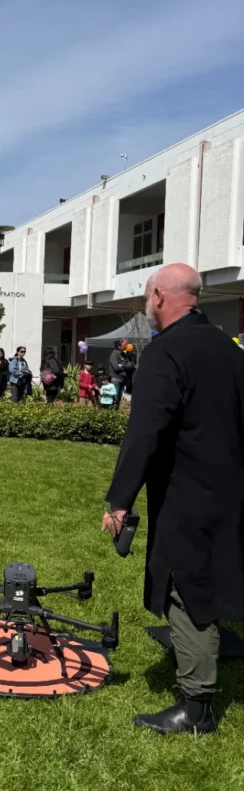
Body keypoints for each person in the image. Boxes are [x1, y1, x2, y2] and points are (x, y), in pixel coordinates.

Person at [102, 263, 244, 735]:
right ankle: (220, 643)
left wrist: (119, 500)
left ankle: (197, 705)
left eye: (148, 296)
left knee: (185, 587)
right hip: (230, 490)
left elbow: (144, 434)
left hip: (187, 493)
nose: (148, 304)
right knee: (220, 569)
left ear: (160, 297)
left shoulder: (165, 353)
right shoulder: (231, 349)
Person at [108, 339, 128, 407]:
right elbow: (116, 367)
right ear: (119, 347)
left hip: (123, 379)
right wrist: (124, 366)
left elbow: (129, 365)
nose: (126, 346)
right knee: (115, 399)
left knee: (119, 399)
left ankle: (116, 413)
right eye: (124, 345)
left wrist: (122, 365)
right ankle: (111, 414)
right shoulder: (114, 354)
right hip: (116, 379)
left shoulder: (124, 355)